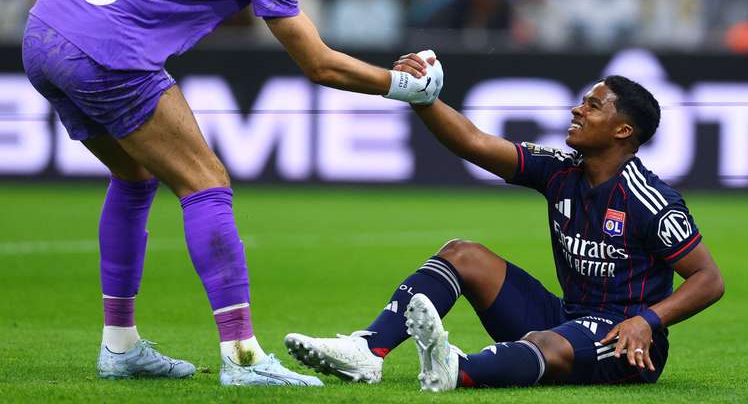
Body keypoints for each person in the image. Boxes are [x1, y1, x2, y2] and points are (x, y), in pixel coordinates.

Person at [21, 0, 443, 387]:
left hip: (43, 32)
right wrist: (398, 84)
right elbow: (318, 64)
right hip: (108, 52)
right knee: (206, 183)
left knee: (135, 173)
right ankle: (242, 357)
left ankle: (120, 346)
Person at [285, 70, 724, 390]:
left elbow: (709, 280)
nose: (577, 109)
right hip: (568, 315)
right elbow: (473, 142)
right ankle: (368, 352)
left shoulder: (651, 201)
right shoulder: (560, 171)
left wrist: (647, 321)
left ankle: (458, 370)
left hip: (623, 340)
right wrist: (422, 99)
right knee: (463, 253)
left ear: (623, 130)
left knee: (546, 343)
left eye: (593, 105)